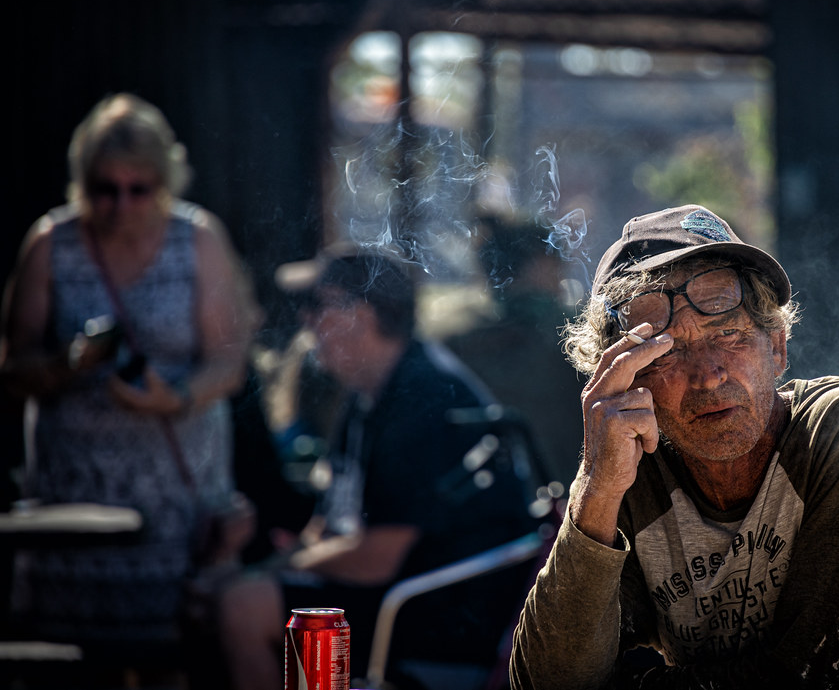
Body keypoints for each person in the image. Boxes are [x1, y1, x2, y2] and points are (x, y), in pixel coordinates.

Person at [510, 204, 839, 689]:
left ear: (777, 347)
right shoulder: (628, 478)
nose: (709, 375)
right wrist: (596, 488)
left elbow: (807, 680)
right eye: (668, 352)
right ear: (625, 380)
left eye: (728, 335)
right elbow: (545, 682)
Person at [218, 244, 538, 689]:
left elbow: (377, 557)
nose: (305, 321)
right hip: (395, 596)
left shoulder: (421, 397)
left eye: (315, 305)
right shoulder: (367, 393)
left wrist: (270, 574)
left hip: (433, 617)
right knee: (221, 597)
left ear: (360, 316)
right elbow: (328, 524)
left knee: (242, 608)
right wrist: (269, 566)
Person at [0, 93, 254, 643]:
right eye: (104, 190)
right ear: (82, 184)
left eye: (137, 190)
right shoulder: (52, 243)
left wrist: (176, 397)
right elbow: (12, 366)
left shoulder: (198, 241)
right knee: (67, 658)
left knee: (170, 654)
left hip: (175, 498)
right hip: (74, 499)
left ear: (162, 183)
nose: (120, 205)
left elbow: (230, 360)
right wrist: (66, 365)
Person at [444, 215, 584, 487]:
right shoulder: (572, 330)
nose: (562, 276)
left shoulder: (457, 339)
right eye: (558, 264)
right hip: (565, 499)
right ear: (540, 264)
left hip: (483, 497)